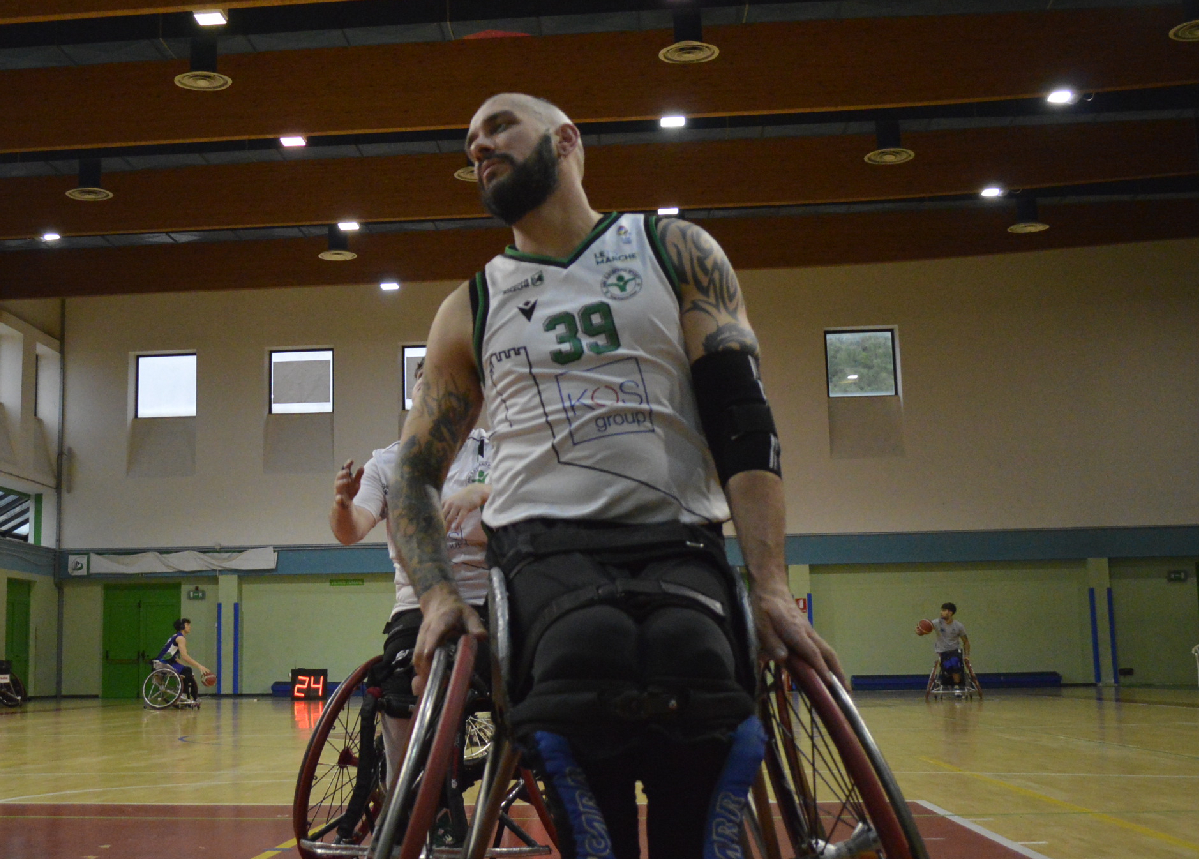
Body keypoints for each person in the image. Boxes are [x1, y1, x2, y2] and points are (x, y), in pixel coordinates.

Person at [389, 94, 843, 859]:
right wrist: (436, 594)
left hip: (678, 540)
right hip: (543, 551)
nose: (479, 148)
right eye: (469, 143)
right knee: (582, 659)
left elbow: (741, 417)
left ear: (566, 140)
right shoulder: (470, 305)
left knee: (700, 669)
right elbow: (412, 475)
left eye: (499, 127)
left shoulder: (674, 248)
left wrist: (770, 585)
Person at [331, 358, 490, 760]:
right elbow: (350, 531)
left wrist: (483, 493)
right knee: (401, 686)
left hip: (486, 598)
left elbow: (532, 499)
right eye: (423, 383)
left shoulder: (496, 452)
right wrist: (343, 505)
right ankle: (404, 784)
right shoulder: (387, 463)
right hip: (417, 603)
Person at [158, 618, 214, 707]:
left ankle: (190, 696)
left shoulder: (175, 636)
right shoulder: (180, 638)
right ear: (182, 626)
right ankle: (187, 696)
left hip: (163, 662)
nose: (189, 627)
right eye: (187, 624)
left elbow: (173, 656)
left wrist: (182, 665)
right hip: (164, 663)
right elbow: (185, 656)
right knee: (187, 670)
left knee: (186, 671)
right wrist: (200, 666)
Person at [919, 602, 969, 688]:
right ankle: (947, 679)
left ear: (950, 612)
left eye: (943, 610)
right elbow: (925, 629)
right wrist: (920, 631)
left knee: (955, 663)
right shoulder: (937, 622)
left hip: (954, 650)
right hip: (942, 651)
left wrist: (967, 655)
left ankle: (957, 686)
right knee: (948, 666)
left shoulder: (958, 626)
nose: (941, 612)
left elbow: (966, 641)